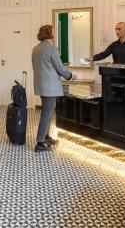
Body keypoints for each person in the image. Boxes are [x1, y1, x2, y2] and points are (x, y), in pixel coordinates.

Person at [32, 24, 76, 152]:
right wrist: (70, 76)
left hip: (41, 86)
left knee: (48, 112)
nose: (55, 34)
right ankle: (40, 144)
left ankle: (45, 137)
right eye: (54, 31)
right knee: (47, 114)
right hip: (50, 88)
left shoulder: (35, 49)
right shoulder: (52, 49)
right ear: (49, 33)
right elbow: (60, 68)